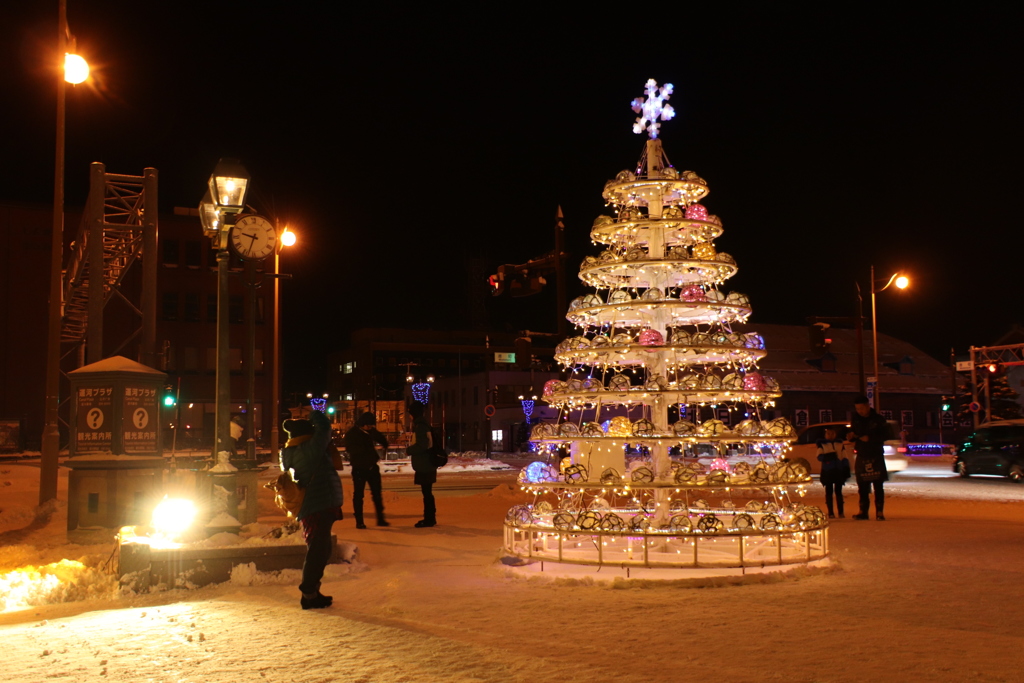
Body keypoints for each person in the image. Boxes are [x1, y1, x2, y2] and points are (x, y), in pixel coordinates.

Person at [279, 408, 344, 609]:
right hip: (319, 504)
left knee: (321, 549)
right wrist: (314, 413)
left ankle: (312, 592)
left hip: (316, 504)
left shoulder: (293, 451)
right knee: (318, 551)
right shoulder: (309, 449)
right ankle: (308, 593)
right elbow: (325, 428)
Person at [343, 412, 389, 528]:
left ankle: (380, 518)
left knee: (377, 494)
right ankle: (359, 521)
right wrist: (366, 453)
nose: (370, 428)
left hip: (372, 466)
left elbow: (381, 438)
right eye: (368, 426)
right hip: (359, 467)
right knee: (359, 494)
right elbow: (352, 450)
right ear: (362, 424)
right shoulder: (352, 434)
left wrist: (384, 443)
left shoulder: (370, 432)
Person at [847, 395, 889, 520]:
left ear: (867, 406)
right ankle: (863, 511)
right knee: (862, 486)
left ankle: (879, 512)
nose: (859, 411)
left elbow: (886, 435)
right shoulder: (856, 418)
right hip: (862, 453)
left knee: (878, 485)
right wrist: (851, 436)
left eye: (861, 408)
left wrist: (870, 439)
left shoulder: (878, 419)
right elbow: (854, 432)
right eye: (857, 409)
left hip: (875, 454)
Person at [407, 401, 438, 528]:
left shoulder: (420, 426)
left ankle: (429, 519)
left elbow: (422, 445)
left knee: (427, 492)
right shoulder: (424, 425)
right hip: (428, 463)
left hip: (424, 464)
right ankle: (430, 517)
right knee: (427, 492)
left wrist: (409, 450)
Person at [816, 427, 851, 518]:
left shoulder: (840, 444)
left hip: (838, 470)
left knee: (839, 492)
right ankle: (830, 512)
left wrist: (846, 467)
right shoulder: (822, 444)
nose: (830, 436)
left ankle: (841, 512)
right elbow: (819, 456)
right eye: (828, 434)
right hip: (828, 470)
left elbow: (844, 456)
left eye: (832, 434)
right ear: (825, 435)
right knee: (829, 492)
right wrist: (828, 457)